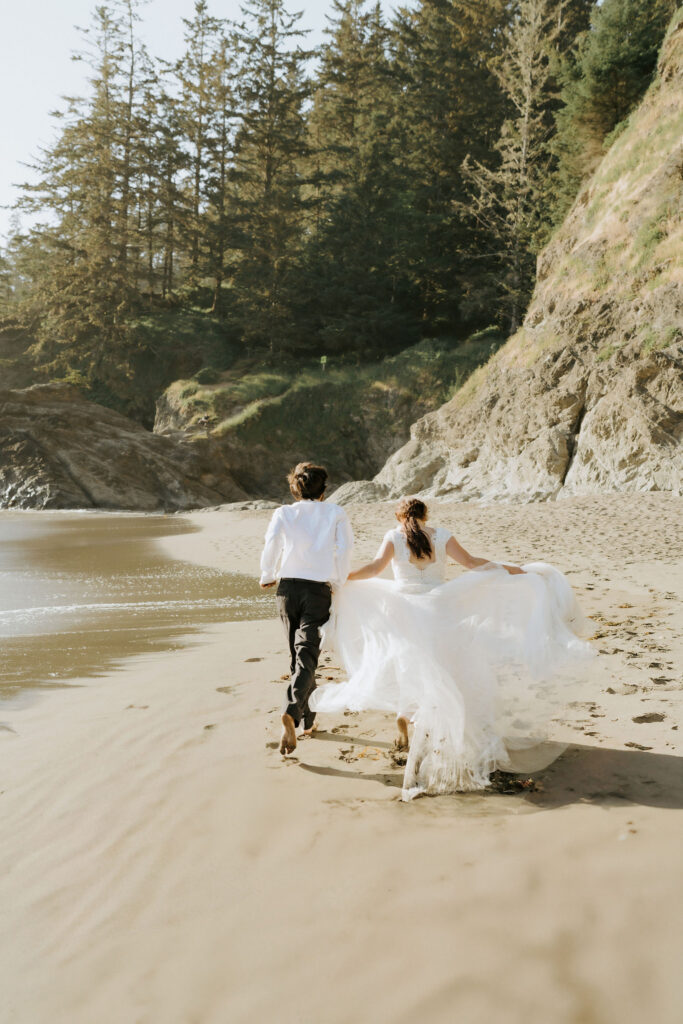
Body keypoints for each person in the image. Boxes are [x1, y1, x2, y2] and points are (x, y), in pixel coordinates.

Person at [311, 497, 595, 800]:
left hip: (403, 608)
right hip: (438, 606)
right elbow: (473, 564)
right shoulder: (442, 535)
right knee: (443, 666)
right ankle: (418, 717)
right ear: (425, 514)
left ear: (400, 517)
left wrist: (342, 578)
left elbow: (374, 568)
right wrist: (515, 569)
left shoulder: (394, 536)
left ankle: (407, 712)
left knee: (409, 661)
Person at [260, 462, 354, 755]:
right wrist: (337, 581)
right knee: (308, 652)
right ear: (324, 490)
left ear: (294, 488)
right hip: (317, 590)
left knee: (298, 654)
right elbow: (345, 548)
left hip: (287, 588)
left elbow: (272, 542)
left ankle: (306, 721)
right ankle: (293, 711)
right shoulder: (336, 512)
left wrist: (267, 574)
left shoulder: (284, 513)